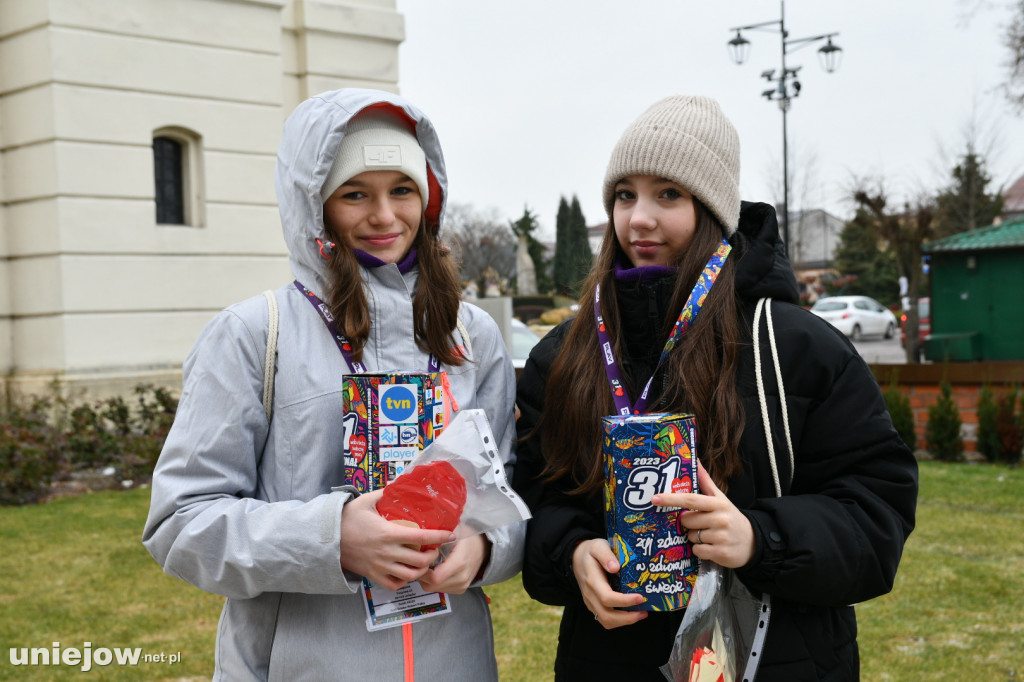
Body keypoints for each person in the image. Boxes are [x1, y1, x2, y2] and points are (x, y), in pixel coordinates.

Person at [513, 95, 918, 681]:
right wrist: (573, 553)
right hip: (607, 659)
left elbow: (878, 516)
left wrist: (760, 538)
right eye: (625, 195)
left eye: (668, 194)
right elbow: (530, 502)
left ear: (713, 210)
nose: (638, 219)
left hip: (778, 660)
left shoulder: (797, 348)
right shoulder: (566, 354)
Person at [143, 89, 522, 681]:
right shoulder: (252, 334)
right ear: (313, 204)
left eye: (402, 189)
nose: (384, 216)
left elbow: (507, 495)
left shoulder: (469, 335)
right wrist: (331, 538)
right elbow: (180, 524)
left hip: (458, 661)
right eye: (354, 194)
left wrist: (485, 549)